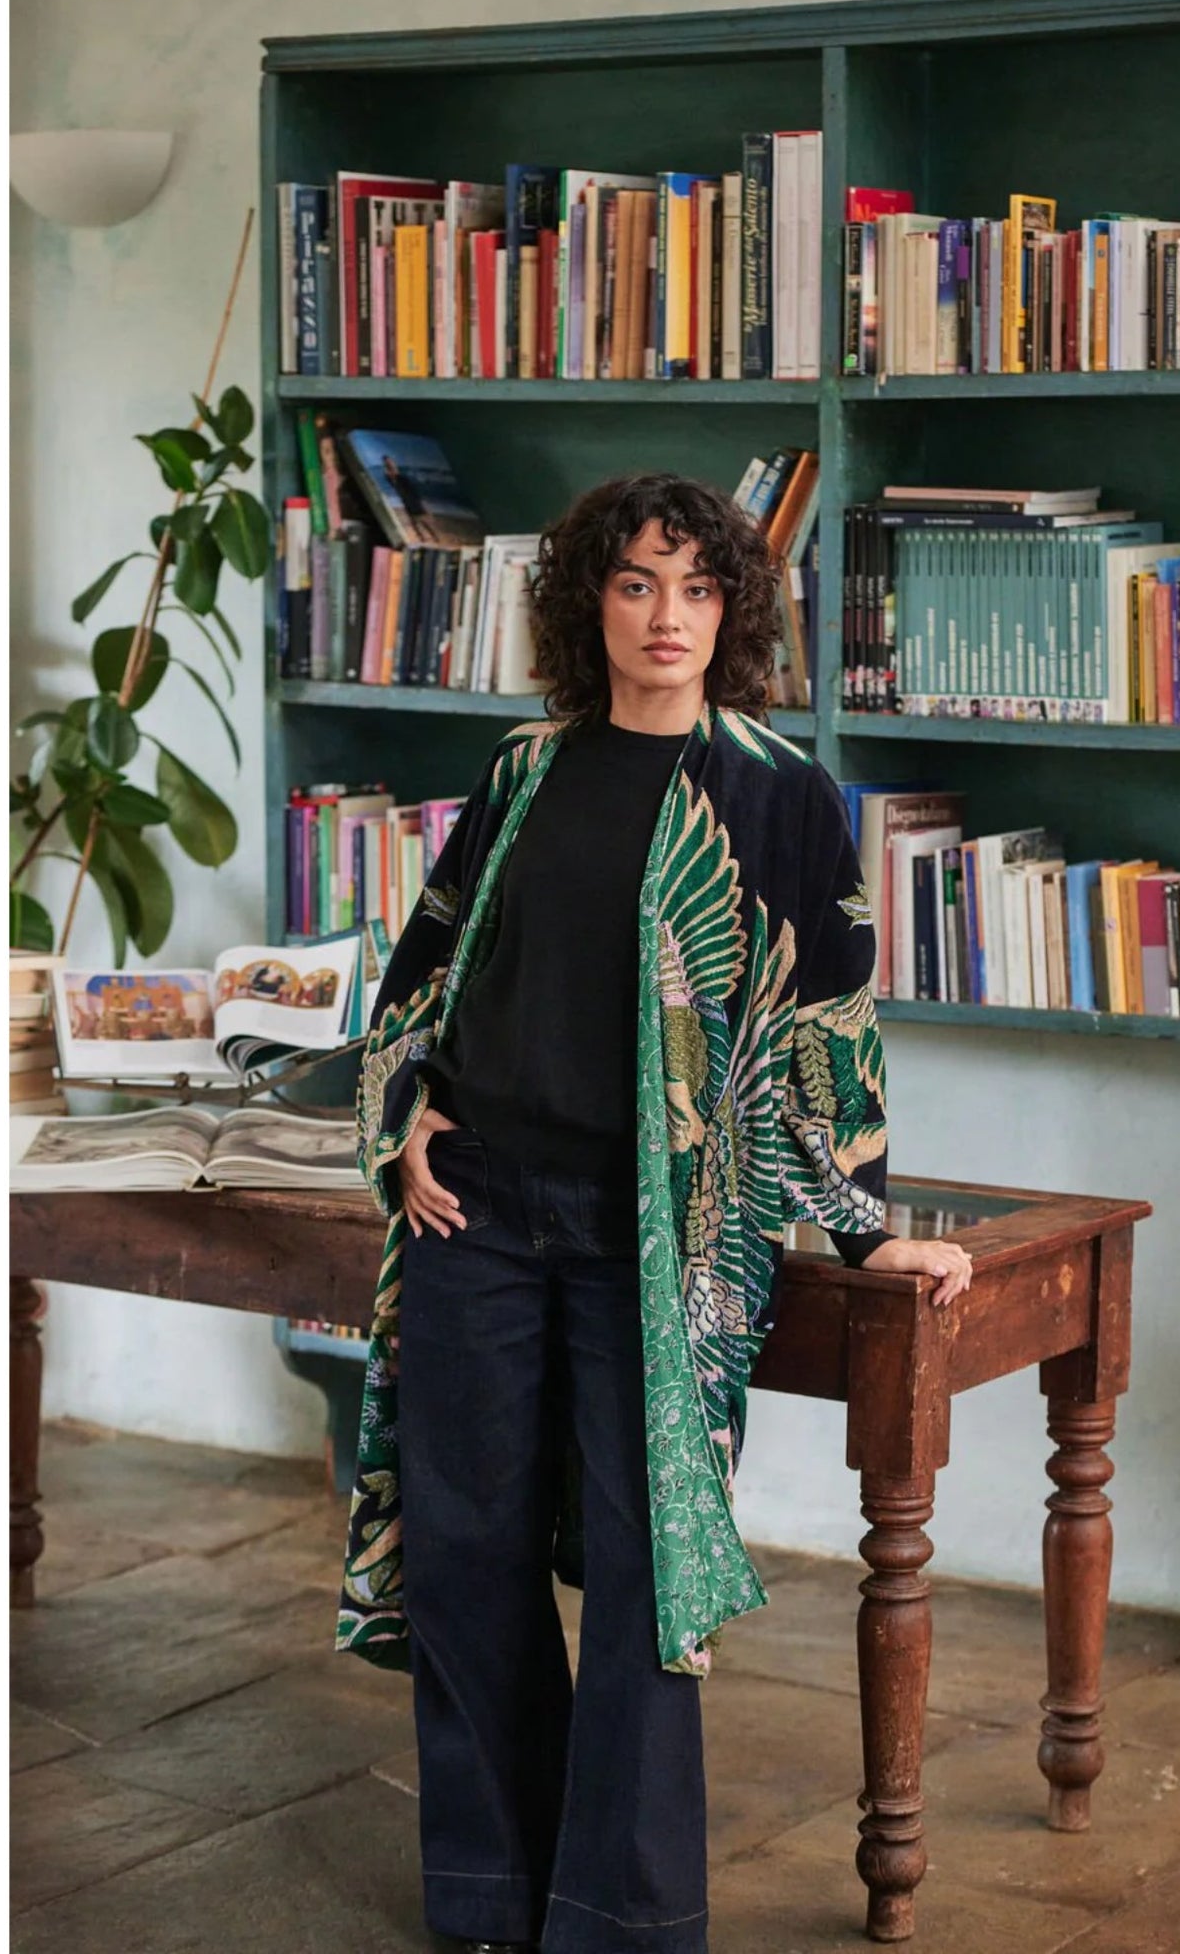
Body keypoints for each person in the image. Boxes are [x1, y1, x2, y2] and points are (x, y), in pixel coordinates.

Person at [336, 473, 974, 1954]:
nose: (666, 616)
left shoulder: (781, 795)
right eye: (634, 584)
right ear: (589, 606)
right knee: (467, 1545)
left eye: (695, 589)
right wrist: (405, 1109)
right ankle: (490, 1893)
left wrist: (869, 1226)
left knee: (641, 1566)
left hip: (662, 1239)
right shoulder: (522, 770)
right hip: (475, 1212)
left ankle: (620, 1917)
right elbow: (427, 965)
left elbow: (826, 1024)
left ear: (734, 613)